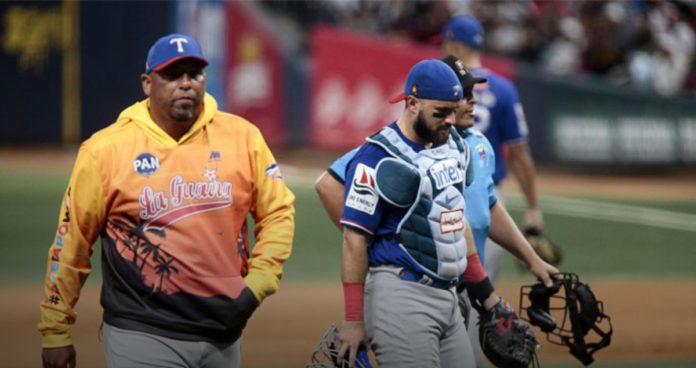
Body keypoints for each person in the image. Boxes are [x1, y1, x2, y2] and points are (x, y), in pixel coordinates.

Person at [38, 33, 295, 368]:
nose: (186, 84)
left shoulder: (243, 137)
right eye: (172, 75)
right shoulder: (105, 151)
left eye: (194, 74)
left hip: (225, 328)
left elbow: (278, 212)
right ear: (147, 83)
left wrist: (257, 284)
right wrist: (56, 331)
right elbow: (71, 244)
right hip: (143, 330)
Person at [315, 55, 557, 368]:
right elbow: (354, 239)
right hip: (401, 297)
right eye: (440, 113)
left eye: (452, 113)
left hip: (450, 298)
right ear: (412, 103)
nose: (449, 121)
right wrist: (353, 319)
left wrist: (487, 296)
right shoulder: (378, 156)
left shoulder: (452, 145)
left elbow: (457, 225)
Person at [441, 15, 545, 286]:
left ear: (455, 47)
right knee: (483, 285)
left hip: (440, 189)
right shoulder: (504, 89)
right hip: (489, 197)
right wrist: (533, 206)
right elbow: (520, 154)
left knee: (443, 279)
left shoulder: (439, 87)